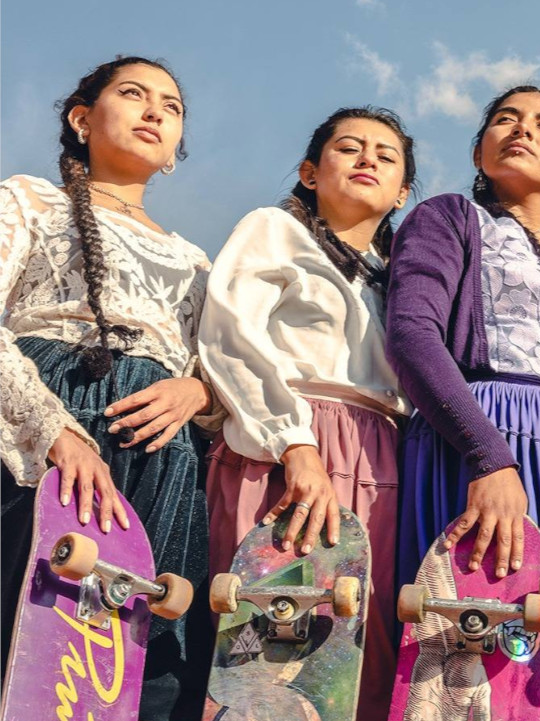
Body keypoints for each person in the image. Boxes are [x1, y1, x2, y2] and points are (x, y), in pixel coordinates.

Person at [0, 56, 215, 720]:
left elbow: (223, 374)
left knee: (146, 651)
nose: (155, 111)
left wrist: (196, 393)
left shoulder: (196, 261)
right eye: (134, 94)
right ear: (81, 119)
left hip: (162, 450)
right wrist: (55, 430)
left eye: (171, 106)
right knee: (28, 627)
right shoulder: (29, 199)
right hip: (46, 414)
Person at [200, 106, 415, 719]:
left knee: (352, 645)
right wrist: (295, 444)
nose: (367, 158)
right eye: (349, 147)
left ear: (402, 192)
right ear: (310, 172)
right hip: (282, 438)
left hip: (381, 454)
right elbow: (231, 334)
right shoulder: (274, 230)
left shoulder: (401, 276)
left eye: (386, 154)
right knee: (261, 636)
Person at [387, 85, 540, 585]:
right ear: (477, 153)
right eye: (506, 119)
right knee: (485, 632)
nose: (522, 129)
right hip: (483, 433)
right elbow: (412, 334)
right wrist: (486, 456)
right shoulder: (451, 218)